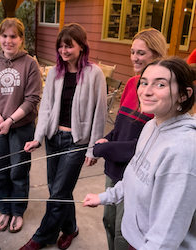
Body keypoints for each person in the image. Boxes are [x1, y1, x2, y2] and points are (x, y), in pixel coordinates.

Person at [84, 56, 196, 249]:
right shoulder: (151, 125)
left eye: (160, 85)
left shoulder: (183, 150)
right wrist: (105, 197)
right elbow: (135, 174)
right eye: (144, 83)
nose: (146, 91)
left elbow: (166, 235)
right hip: (134, 239)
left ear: (184, 95)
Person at [19, 23, 107, 250]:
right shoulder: (55, 73)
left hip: (76, 142)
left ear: (81, 47)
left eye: (69, 46)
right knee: (58, 189)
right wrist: (38, 138)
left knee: (57, 193)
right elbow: (46, 108)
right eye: (60, 46)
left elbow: (100, 112)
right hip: (53, 138)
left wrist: (92, 149)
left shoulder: (94, 73)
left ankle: (41, 238)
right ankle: (70, 229)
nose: (64, 51)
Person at [92, 28, 166, 250]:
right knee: (108, 220)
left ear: (157, 55)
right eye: (133, 51)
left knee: (124, 232)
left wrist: (107, 149)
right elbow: (120, 128)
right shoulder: (132, 83)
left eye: (141, 53)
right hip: (114, 168)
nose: (134, 57)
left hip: (137, 175)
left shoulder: (162, 96)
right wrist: (107, 139)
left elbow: (147, 146)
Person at [0, 17, 42, 233]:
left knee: (18, 171)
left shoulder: (30, 64)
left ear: (21, 39)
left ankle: (17, 211)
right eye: (4, 36)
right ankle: (4, 210)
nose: (8, 40)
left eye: (13, 36)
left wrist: (10, 120)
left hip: (21, 127)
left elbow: (32, 98)